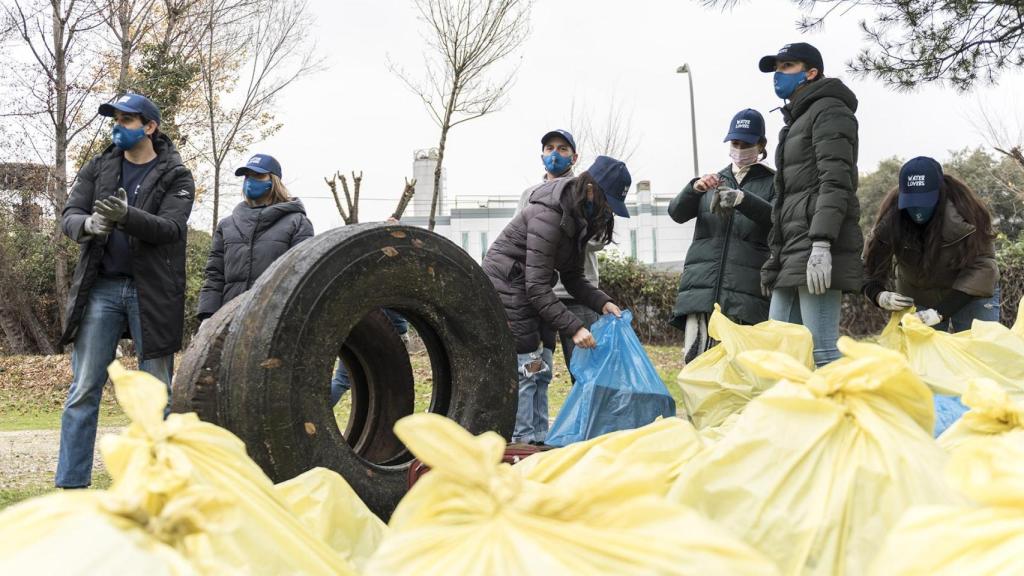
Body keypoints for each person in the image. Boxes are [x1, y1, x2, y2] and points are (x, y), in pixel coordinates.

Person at [57, 93, 195, 488]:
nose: (117, 125)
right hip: (100, 289)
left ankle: (160, 485)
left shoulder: (176, 175)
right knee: (84, 387)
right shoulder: (98, 167)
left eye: (127, 119)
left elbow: (172, 228)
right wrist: (87, 227)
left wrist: (126, 217)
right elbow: (70, 214)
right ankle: (71, 485)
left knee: (157, 394)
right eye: (115, 118)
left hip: (151, 292)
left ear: (149, 127)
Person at [483, 156, 629, 445]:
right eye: (608, 201)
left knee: (542, 368)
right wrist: (575, 327)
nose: (608, 209)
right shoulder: (549, 214)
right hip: (509, 286)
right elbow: (535, 285)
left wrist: (602, 302)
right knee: (527, 366)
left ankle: (539, 438)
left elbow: (573, 276)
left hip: (533, 287)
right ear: (591, 190)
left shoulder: (578, 216)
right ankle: (523, 442)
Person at [757, 42, 863, 367]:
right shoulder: (795, 122)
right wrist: (775, 260)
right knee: (782, 354)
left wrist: (821, 243)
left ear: (811, 72)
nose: (778, 74)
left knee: (822, 352)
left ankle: (844, 417)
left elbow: (836, 181)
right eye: (776, 68)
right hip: (793, 249)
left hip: (815, 245)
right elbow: (786, 200)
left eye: (786, 67)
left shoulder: (829, 110)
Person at [669, 109, 775, 363]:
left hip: (745, 294)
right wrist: (694, 189)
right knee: (696, 364)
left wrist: (743, 200)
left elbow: (777, 220)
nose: (739, 149)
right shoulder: (713, 181)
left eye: (746, 144)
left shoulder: (773, 183)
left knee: (739, 369)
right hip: (702, 292)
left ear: (761, 145)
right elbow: (676, 213)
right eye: (735, 143)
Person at [863, 156, 999, 332]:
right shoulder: (891, 219)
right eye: (911, 203)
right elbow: (868, 265)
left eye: (924, 201)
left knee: (980, 351)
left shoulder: (968, 216)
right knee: (922, 357)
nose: (917, 211)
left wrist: (940, 313)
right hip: (919, 295)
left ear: (939, 193)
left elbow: (983, 267)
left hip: (972, 294)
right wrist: (879, 295)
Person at [516, 129, 604, 383]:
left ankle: (590, 422)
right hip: (539, 297)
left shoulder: (586, 191)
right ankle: (536, 423)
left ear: (574, 157)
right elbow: (519, 240)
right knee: (534, 372)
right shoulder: (529, 195)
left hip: (578, 295)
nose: (555, 154)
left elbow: (598, 240)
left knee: (587, 374)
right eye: (549, 148)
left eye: (563, 149)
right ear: (541, 155)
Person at [197, 153, 313, 321]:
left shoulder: (298, 223)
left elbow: (303, 275)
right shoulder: (226, 226)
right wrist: (208, 317)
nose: (250, 181)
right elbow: (215, 275)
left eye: (258, 175)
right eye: (247, 176)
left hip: (274, 320)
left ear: (273, 181)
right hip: (228, 320)